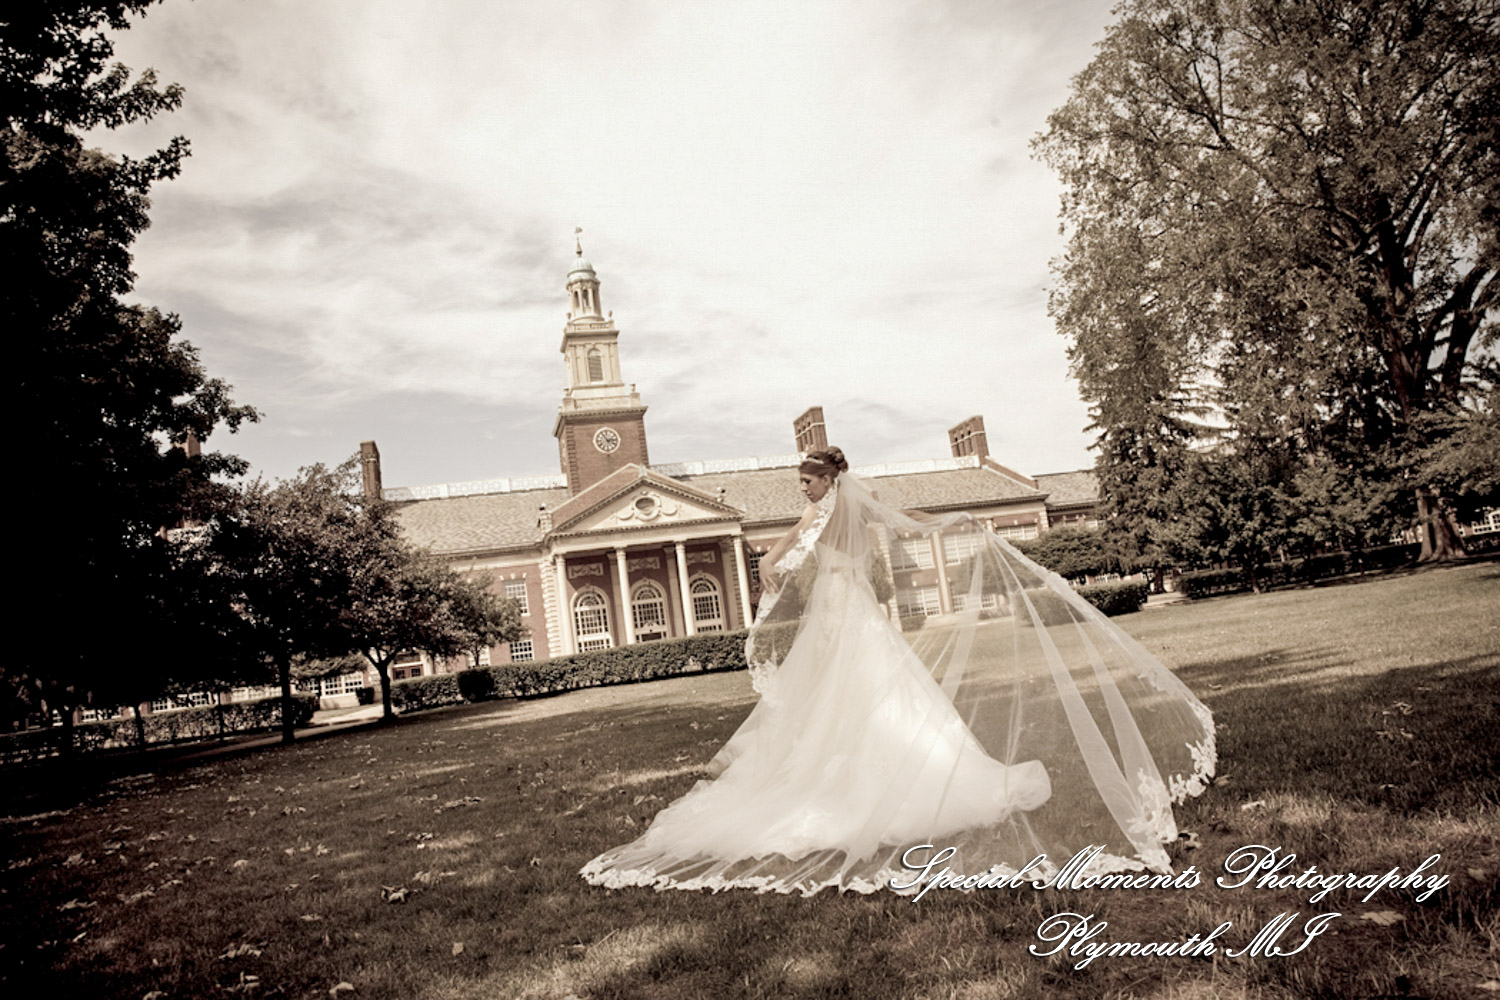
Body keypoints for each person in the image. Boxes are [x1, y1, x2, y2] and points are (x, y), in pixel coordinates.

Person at [580, 447, 1215, 896]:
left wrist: (773, 559)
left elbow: (849, 533)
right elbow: (811, 541)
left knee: (860, 696)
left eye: (805, 482)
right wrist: (773, 559)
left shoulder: (839, 509)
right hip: (842, 617)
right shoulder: (837, 509)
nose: (800, 490)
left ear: (826, 481)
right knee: (858, 697)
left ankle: (874, 781)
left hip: (847, 617)